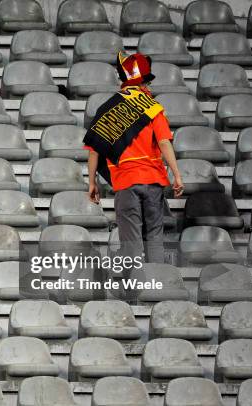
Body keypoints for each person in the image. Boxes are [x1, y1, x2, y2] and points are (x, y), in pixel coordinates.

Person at [84, 52, 183, 265]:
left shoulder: (108, 110)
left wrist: (92, 183)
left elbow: (94, 151)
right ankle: (155, 287)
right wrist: (177, 175)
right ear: (145, 80)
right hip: (154, 183)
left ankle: (136, 290)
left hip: (126, 184)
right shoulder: (153, 108)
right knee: (155, 238)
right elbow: (165, 142)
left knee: (132, 242)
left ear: (122, 79)